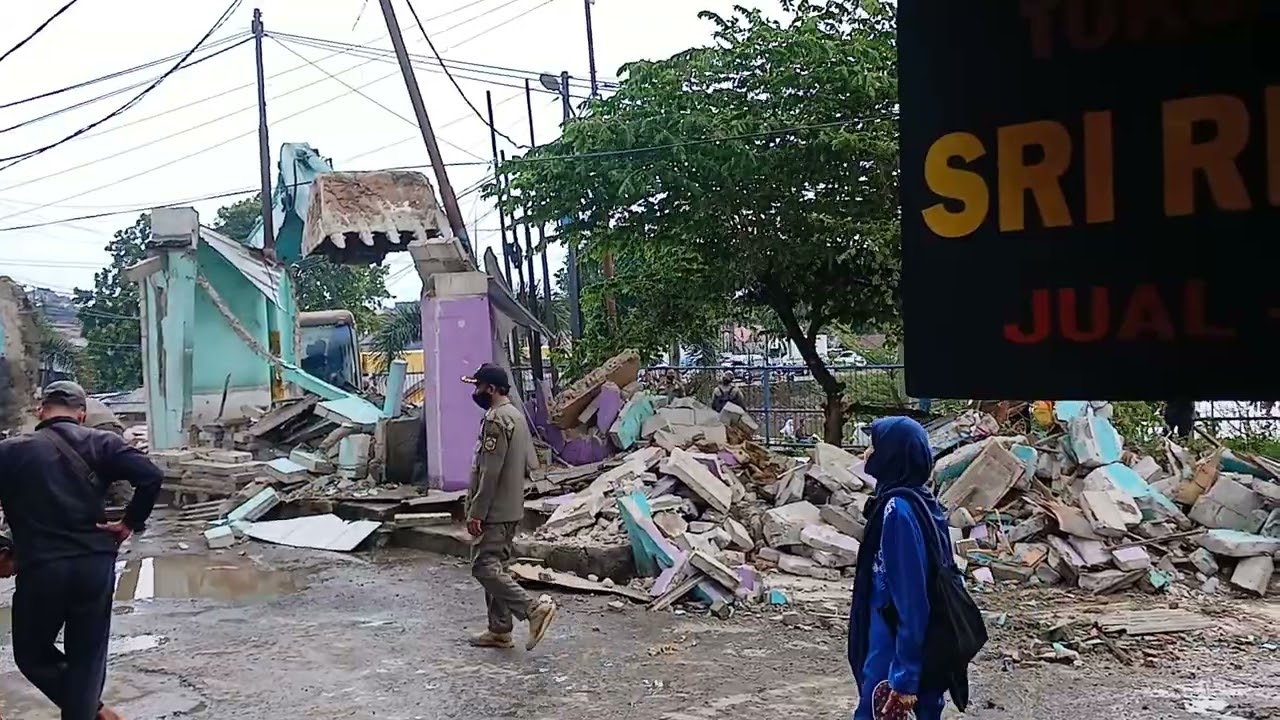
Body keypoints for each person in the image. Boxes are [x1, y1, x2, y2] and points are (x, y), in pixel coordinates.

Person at [0, 381, 164, 720]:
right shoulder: (104, 443)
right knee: (87, 658)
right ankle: (90, 711)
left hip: (42, 567)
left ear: (40, 411)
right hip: (94, 566)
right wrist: (128, 523)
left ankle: (92, 711)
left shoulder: (11, 451)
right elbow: (151, 476)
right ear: (82, 414)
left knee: (32, 655)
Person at [847, 416, 956, 720]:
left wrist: (905, 677)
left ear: (892, 455)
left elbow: (912, 600)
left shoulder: (898, 511)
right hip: (906, 649)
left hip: (893, 653)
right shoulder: (921, 502)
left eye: (874, 446)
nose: (867, 453)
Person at [462, 364, 557, 651]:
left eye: (477, 386)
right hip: (511, 505)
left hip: (495, 509)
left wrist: (477, 511)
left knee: (483, 566)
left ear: (491, 388)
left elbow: (490, 472)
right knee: (497, 565)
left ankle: (532, 609)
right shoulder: (515, 415)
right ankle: (500, 629)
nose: (475, 392)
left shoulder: (496, 420)